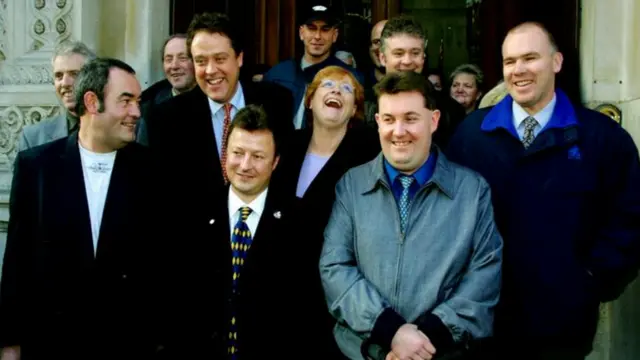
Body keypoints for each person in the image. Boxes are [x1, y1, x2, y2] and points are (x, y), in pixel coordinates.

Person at [446, 22, 640, 360]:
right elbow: (445, 215)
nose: (518, 70)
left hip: (562, 326)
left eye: (530, 58)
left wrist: (590, 279)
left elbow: (630, 217)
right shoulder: (471, 136)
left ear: (557, 61)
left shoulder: (602, 138)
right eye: (509, 61)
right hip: (484, 321)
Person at [320, 70, 503, 360]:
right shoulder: (352, 186)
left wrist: (425, 340)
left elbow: (485, 274)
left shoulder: (471, 191)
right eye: (389, 120)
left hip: (441, 353)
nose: (399, 131)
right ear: (378, 123)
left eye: (411, 118)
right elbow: (335, 266)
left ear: (433, 120)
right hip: (362, 353)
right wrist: (390, 331)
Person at [0, 58, 163, 360]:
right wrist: (9, 342)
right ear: (92, 101)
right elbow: (17, 262)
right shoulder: (36, 166)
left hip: (127, 346)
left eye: (137, 102)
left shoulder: (152, 171)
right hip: (52, 343)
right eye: (125, 101)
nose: (136, 112)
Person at [161, 105, 297, 359]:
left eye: (258, 156)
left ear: (275, 162)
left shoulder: (300, 223)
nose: (245, 165)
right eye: (238, 153)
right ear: (225, 154)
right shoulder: (190, 217)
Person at [274, 65, 380, 358]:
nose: (337, 90)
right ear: (309, 100)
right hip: (280, 291)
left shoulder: (369, 153)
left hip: (335, 299)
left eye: (347, 89)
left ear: (354, 109)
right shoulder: (288, 145)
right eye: (328, 85)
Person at [145, 12, 294, 197]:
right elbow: (166, 194)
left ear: (239, 58)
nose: (210, 70)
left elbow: (286, 176)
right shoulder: (166, 118)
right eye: (201, 61)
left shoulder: (277, 102)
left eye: (220, 59)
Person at [364, 15, 466, 149]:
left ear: (423, 57)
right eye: (399, 53)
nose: (407, 61)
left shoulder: (450, 111)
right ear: (382, 58)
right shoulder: (364, 107)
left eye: (415, 53)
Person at [263, 4, 364, 129]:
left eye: (325, 29)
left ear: (335, 35)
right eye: (312, 28)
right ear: (301, 32)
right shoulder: (278, 74)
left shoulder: (349, 77)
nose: (317, 36)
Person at [18, 40, 96, 151]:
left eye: (74, 74)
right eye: (59, 76)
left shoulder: (119, 133)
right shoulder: (33, 138)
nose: (65, 83)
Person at [136, 33, 197, 145]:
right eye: (168, 59)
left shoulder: (213, 102)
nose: (174, 66)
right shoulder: (148, 108)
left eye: (182, 58)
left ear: (197, 62)